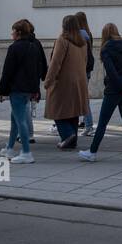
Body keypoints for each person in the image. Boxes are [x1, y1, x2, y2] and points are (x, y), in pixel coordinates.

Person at [79, 22, 122, 162]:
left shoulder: (106, 49)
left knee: (102, 123)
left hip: (114, 89)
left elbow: (111, 72)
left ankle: (92, 152)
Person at [0, 18, 46, 164]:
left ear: (18, 32)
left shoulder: (14, 48)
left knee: (20, 120)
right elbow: (38, 68)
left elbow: (7, 72)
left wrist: (1, 91)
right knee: (15, 119)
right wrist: (36, 89)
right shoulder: (34, 46)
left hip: (17, 88)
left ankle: (26, 152)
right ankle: (10, 147)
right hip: (28, 88)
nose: (11, 33)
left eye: (13, 31)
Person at [43, 14, 89, 150]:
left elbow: (55, 62)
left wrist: (48, 80)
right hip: (79, 81)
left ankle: (68, 135)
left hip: (63, 81)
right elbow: (85, 61)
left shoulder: (62, 40)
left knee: (56, 109)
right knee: (73, 111)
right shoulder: (83, 41)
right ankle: (72, 140)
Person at [74, 11, 95, 132]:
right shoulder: (88, 34)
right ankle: (86, 122)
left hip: (81, 69)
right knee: (83, 96)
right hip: (87, 69)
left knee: (82, 98)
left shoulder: (80, 35)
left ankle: (88, 124)